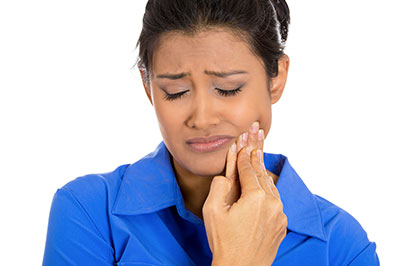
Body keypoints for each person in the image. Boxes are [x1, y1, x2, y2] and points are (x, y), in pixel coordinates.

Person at [42, 0, 380, 265]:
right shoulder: (89, 212)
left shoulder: (341, 246)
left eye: (228, 88)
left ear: (276, 78)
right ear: (148, 87)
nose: (202, 118)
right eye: (175, 91)